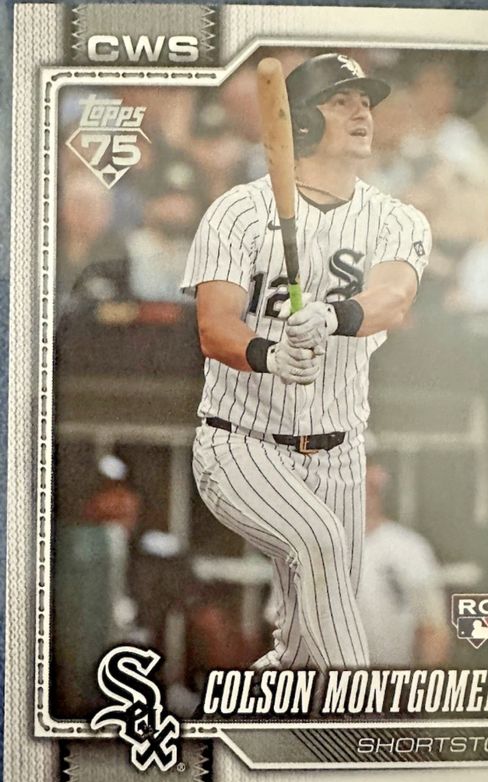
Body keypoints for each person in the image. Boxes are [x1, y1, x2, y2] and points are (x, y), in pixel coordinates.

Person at [181, 53, 431, 672]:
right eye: (341, 101)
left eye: (365, 101)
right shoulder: (238, 211)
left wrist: (332, 316)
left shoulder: (395, 217)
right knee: (317, 543)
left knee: (301, 648)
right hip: (242, 444)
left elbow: (394, 298)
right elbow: (214, 326)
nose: (361, 112)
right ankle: (358, 708)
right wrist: (269, 354)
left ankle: (273, 705)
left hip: (340, 453)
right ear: (300, 122)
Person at [358, 458, 450, 666]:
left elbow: (432, 629)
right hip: (322, 682)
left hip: (391, 678)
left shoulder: (410, 548)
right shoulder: (312, 546)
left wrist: (426, 683)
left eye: (369, 467)